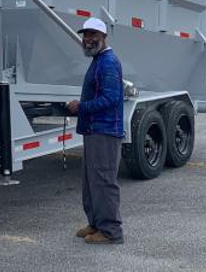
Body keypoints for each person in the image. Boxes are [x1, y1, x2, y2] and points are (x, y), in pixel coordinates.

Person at [67, 17, 125, 245]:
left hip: (105, 131)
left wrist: (80, 107)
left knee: (103, 182)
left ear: (104, 37)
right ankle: (96, 223)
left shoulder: (108, 61)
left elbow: (111, 99)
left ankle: (111, 232)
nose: (88, 39)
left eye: (93, 35)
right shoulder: (98, 59)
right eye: (85, 35)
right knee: (91, 181)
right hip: (93, 130)